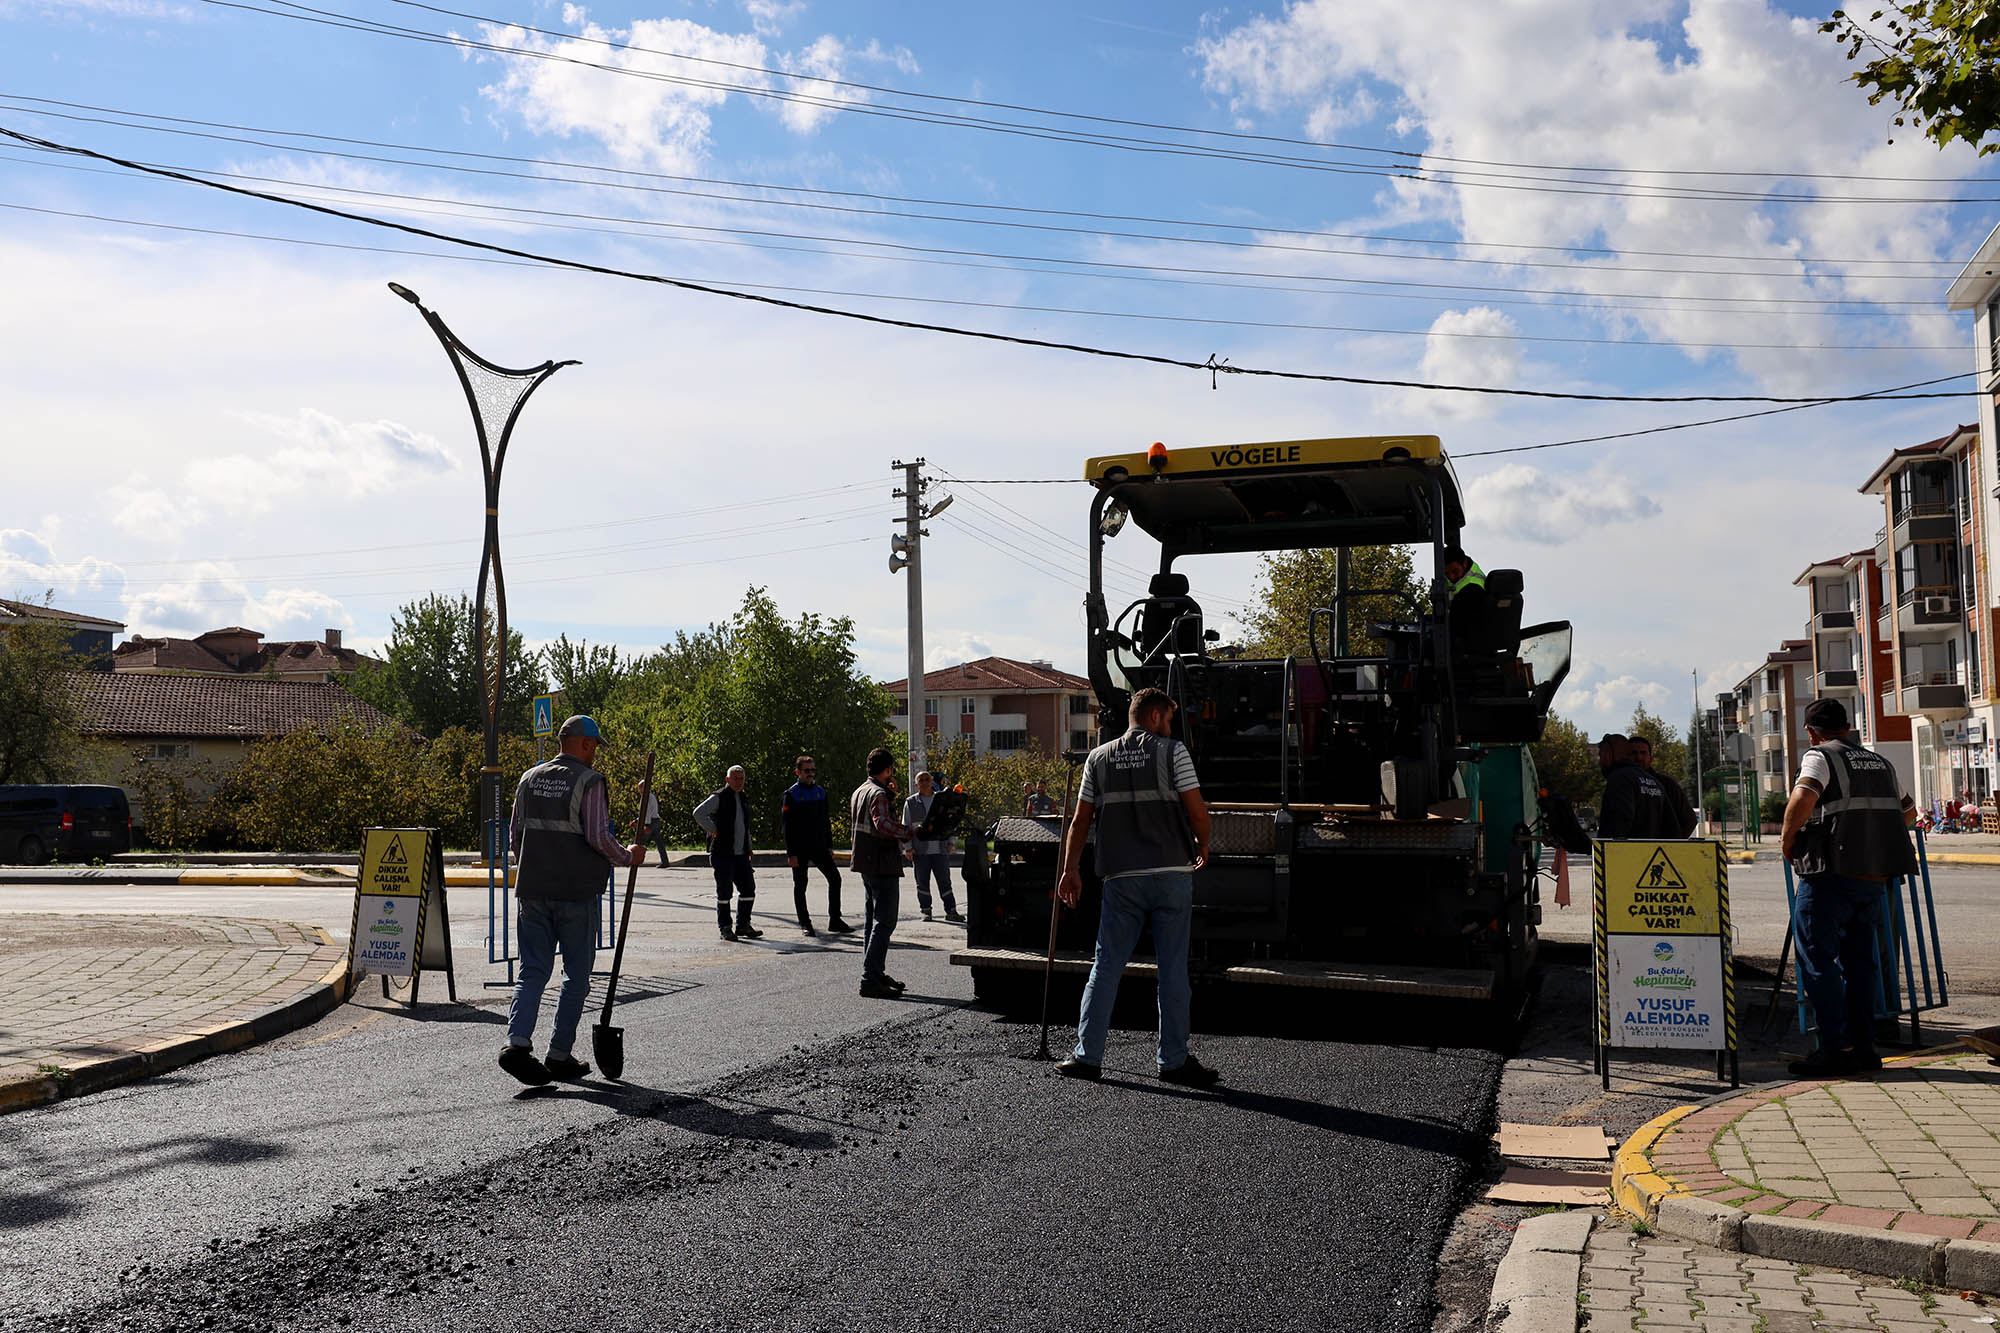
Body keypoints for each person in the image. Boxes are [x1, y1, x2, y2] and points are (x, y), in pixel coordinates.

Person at [1056, 686, 1218, 1087]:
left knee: (1107, 965)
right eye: (1167, 717)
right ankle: (1173, 1061)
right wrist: (1203, 843)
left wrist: (1070, 869)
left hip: (1121, 878)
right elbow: (1196, 808)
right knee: (1172, 969)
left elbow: (1080, 821)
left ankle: (1087, 1055)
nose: (1170, 726)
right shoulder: (1172, 752)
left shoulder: (1097, 758)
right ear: (1153, 716)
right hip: (1171, 875)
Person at [500, 715, 643, 1086]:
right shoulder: (589, 781)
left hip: (532, 890)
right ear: (583, 744)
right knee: (576, 976)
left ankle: (516, 1044)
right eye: (594, 745)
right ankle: (559, 1054)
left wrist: (538, 865)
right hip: (575, 894)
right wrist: (629, 856)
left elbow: (515, 837)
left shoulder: (528, 778)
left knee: (532, 969)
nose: (595, 753)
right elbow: (598, 836)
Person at [1780, 698, 1917, 1078]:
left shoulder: (1820, 757)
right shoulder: (1881, 762)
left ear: (1812, 731)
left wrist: (1788, 840)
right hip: (1873, 877)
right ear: (1847, 726)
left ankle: (1836, 1049)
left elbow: (1803, 797)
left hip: (1830, 875)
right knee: (1861, 964)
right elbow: (1909, 812)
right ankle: (1864, 1048)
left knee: (1818, 962)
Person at [850, 748, 920, 997]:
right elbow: (882, 824)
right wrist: (909, 831)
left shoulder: (861, 790)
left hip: (865, 863)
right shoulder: (878, 794)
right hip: (882, 863)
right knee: (886, 921)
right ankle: (870, 979)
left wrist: (890, 794)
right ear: (888, 769)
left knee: (872, 920)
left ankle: (874, 972)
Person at [782, 753, 851, 938]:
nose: (810, 773)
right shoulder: (791, 794)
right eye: (807, 770)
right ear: (798, 772)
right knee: (801, 885)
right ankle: (805, 923)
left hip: (819, 846)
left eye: (812, 770)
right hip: (800, 848)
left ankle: (835, 920)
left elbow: (825, 821)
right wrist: (791, 853)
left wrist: (829, 845)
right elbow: (787, 827)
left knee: (835, 879)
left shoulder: (820, 792)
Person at [694, 765, 761, 941]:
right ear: (727, 780)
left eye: (741, 778)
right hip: (723, 853)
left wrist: (749, 847)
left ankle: (743, 925)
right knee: (725, 893)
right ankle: (725, 928)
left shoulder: (743, 797)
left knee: (748, 890)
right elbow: (698, 813)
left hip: (741, 855)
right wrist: (713, 829)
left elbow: (745, 827)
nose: (739, 782)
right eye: (735, 778)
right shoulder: (719, 797)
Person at [902, 770, 962, 923]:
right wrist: (908, 847)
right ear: (916, 784)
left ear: (931, 782)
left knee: (945, 882)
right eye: (920, 780)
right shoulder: (910, 802)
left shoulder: (941, 799)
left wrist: (952, 843)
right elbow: (905, 826)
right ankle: (926, 911)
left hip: (940, 849)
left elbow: (951, 822)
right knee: (922, 883)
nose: (924, 782)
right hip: (920, 851)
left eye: (927, 779)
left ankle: (951, 910)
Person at [1596, 732, 1676, 839]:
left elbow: (1617, 827)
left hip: (1625, 854)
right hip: (1654, 853)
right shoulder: (1654, 782)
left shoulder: (1619, 779)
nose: (1599, 762)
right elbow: (1673, 828)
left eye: (1600, 755)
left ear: (1609, 753)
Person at [1628, 735, 1698, 838]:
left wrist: (1673, 844)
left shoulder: (1667, 784)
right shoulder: (1623, 785)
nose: (1638, 758)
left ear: (1651, 758)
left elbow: (1689, 820)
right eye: (1633, 753)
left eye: (1643, 753)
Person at [1441, 545, 1487, 640]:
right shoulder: (1461, 574)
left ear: (1464, 563)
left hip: (1468, 638)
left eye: (1455, 571)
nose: (1451, 577)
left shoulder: (1473, 588)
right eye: (1447, 573)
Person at [638, 782, 672, 864]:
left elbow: (647, 812)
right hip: (655, 820)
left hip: (650, 822)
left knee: (640, 841)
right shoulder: (651, 796)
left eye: (639, 787)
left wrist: (646, 825)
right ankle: (665, 861)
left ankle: (635, 859)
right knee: (659, 842)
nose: (638, 789)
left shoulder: (647, 797)